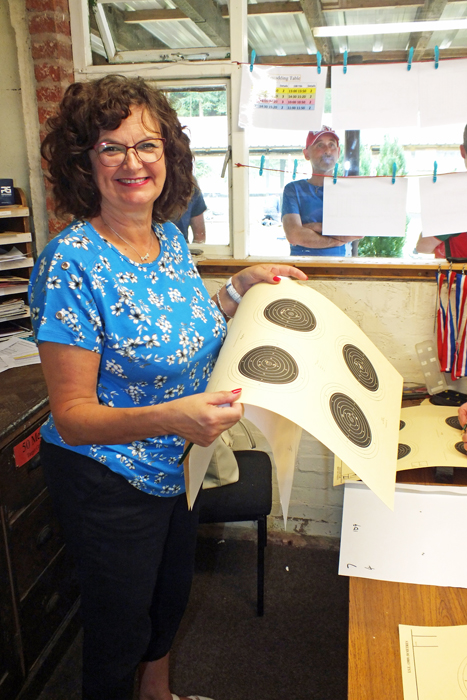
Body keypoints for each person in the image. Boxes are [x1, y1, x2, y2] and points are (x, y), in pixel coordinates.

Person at [28, 75, 307, 700]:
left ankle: (158, 696)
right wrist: (174, 418)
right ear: (84, 162)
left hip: (176, 465)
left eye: (147, 145)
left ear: (169, 156)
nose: (134, 163)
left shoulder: (172, 241)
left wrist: (239, 289)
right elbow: (72, 416)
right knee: (117, 629)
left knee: (167, 599)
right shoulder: (70, 263)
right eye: (111, 148)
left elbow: (181, 331)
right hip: (106, 476)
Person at [281, 126, 363, 256]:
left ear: (338, 152)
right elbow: (294, 235)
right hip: (301, 269)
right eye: (320, 145)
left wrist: (314, 227)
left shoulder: (348, 189)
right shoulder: (293, 190)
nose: (327, 150)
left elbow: (357, 232)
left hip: (340, 268)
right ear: (306, 153)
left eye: (332, 145)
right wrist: (338, 239)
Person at [416, 124, 467, 259]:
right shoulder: (452, 196)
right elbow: (422, 248)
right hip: (455, 277)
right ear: (463, 152)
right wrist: (445, 228)